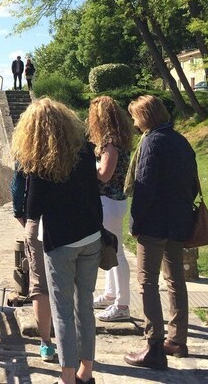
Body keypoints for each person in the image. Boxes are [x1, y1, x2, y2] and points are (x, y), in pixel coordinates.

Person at [14, 98, 102, 384]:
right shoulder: (87, 151)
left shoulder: (40, 160)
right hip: (92, 236)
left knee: (63, 312)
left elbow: (33, 208)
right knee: (85, 306)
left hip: (60, 242)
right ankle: (85, 372)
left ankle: (66, 377)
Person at [123, 95, 199, 370]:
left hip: (155, 224)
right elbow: (192, 184)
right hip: (178, 222)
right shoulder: (181, 140)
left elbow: (144, 187)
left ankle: (154, 345)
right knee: (175, 281)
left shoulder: (152, 142)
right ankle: (177, 340)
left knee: (148, 282)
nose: (133, 122)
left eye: (134, 117)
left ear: (145, 117)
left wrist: (135, 222)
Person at [87, 96, 134, 322]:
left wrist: (88, 167)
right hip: (115, 201)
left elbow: (104, 175)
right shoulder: (120, 139)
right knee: (111, 248)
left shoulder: (109, 142)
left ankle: (122, 303)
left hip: (109, 201)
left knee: (116, 252)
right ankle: (110, 294)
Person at [11, 162, 55, 362]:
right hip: (67, 222)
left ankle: (46, 343)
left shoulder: (27, 148)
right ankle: (70, 341)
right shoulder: (73, 144)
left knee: (39, 286)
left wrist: (20, 214)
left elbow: (17, 186)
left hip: (36, 221)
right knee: (67, 284)